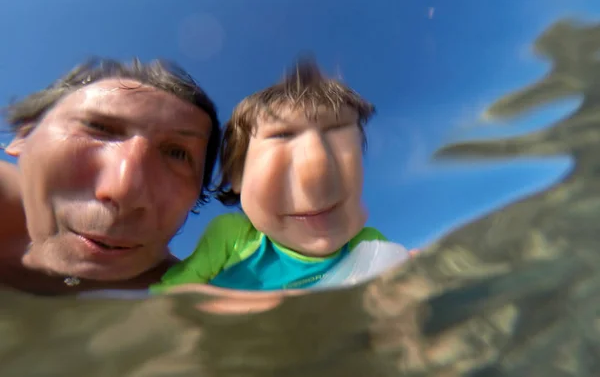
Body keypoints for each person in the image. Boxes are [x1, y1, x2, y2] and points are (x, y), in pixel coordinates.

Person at [153, 59, 408, 292]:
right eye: (282, 135)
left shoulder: (368, 245)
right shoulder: (233, 237)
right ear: (237, 176)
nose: (317, 170)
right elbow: (170, 298)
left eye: (338, 134)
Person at [0, 58, 222, 296]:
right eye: (99, 127)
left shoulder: (199, 302)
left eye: (177, 153)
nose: (123, 191)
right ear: (24, 135)